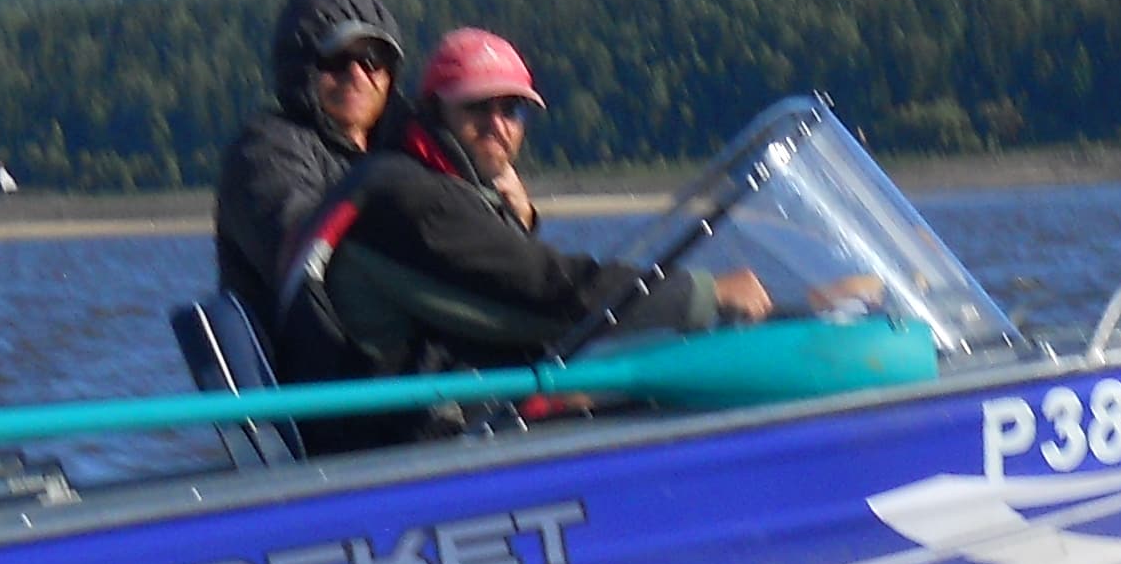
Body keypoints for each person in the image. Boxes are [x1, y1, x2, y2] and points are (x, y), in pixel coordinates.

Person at [284, 26, 767, 436]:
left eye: (512, 110)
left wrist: (510, 221)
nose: (498, 125)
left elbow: (497, 316)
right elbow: (549, 293)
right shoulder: (411, 198)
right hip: (401, 457)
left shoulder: (416, 184)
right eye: (478, 107)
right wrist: (708, 293)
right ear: (433, 113)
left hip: (443, 425)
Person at [213, 0, 405, 386]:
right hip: (324, 391)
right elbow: (310, 251)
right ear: (301, 67)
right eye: (337, 59)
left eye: (372, 59)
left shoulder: (404, 151)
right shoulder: (264, 151)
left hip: (407, 376)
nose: (357, 74)